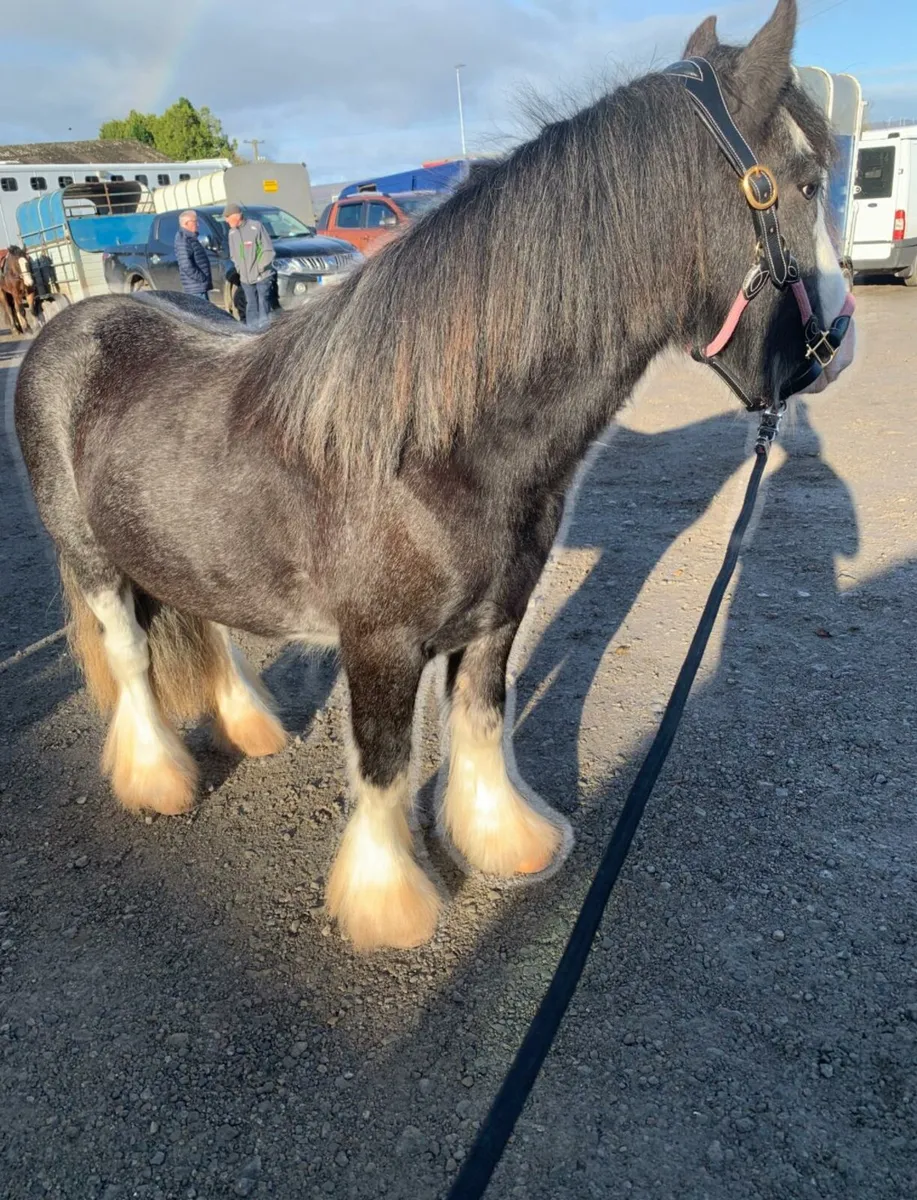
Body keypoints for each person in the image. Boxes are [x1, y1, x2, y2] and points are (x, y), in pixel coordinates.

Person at [223, 202, 276, 328]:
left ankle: (265, 332)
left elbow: (267, 250)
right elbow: (233, 255)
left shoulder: (256, 227)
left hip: (262, 276)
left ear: (237, 216)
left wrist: (260, 268)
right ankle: (252, 333)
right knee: (251, 304)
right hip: (245, 278)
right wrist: (240, 269)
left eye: (227, 217)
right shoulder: (232, 233)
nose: (226, 220)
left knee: (263, 303)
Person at [174, 210, 213, 301]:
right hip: (195, 288)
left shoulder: (190, 238)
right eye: (195, 221)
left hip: (199, 287)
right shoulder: (183, 239)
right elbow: (186, 265)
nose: (198, 224)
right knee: (202, 314)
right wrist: (201, 278)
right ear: (187, 223)